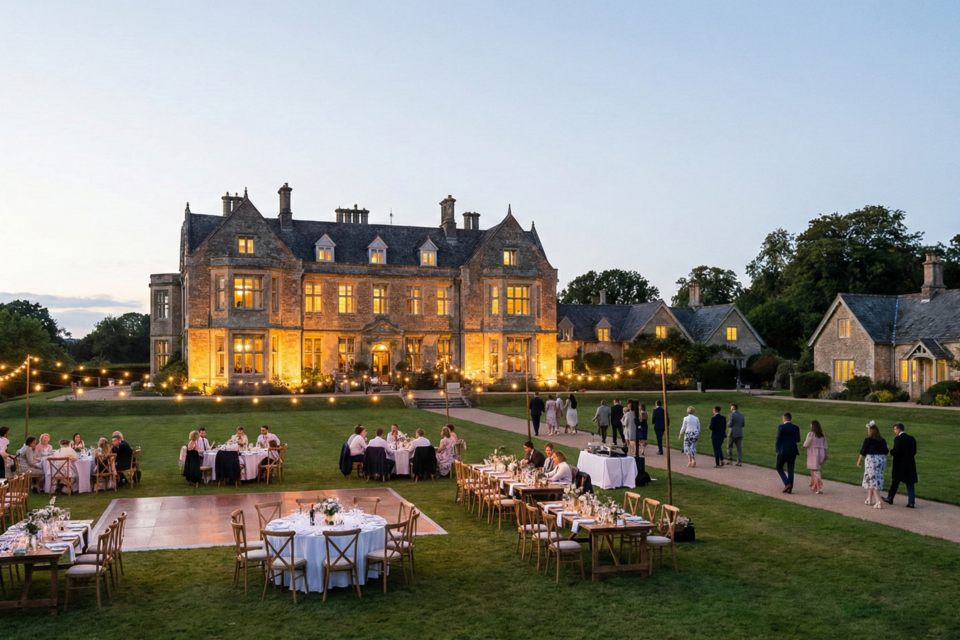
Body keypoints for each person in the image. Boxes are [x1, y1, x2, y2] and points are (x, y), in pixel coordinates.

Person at [883, 423, 917, 508]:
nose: (894, 431)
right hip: (909, 464)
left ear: (899, 429)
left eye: (895, 429)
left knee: (895, 482)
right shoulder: (911, 438)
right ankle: (911, 502)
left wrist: (891, 451)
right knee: (910, 483)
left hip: (899, 464)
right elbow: (914, 452)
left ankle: (890, 497)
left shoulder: (898, 439)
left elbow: (896, 451)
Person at [858, 421, 889, 509]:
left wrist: (859, 461)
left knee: (873, 480)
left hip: (871, 460)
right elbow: (886, 452)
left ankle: (878, 501)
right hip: (881, 460)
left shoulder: (868, 440)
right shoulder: (882, 440)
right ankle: (869, 498)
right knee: (874, 478)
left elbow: (863, 451)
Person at [775, 412, 801, 494]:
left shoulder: (781, 427)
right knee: (790, 469)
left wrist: (777, 449)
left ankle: (787, 483)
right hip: (793, 450)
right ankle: (790, 488)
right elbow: (798, 440)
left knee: (779, 467)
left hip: (783, 450)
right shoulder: (796, 427)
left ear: (784, 419)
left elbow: (778, 439)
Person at [803, 420, 828, 493]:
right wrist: (825, 454)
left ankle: (818, 487)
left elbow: (807, 443)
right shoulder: (822, 434)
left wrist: (804, 446)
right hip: (821, 452)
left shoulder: (811, 434)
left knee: (815, 470)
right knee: (815, 469)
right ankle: (813, 485)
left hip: (814, 453)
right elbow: (825, 445)